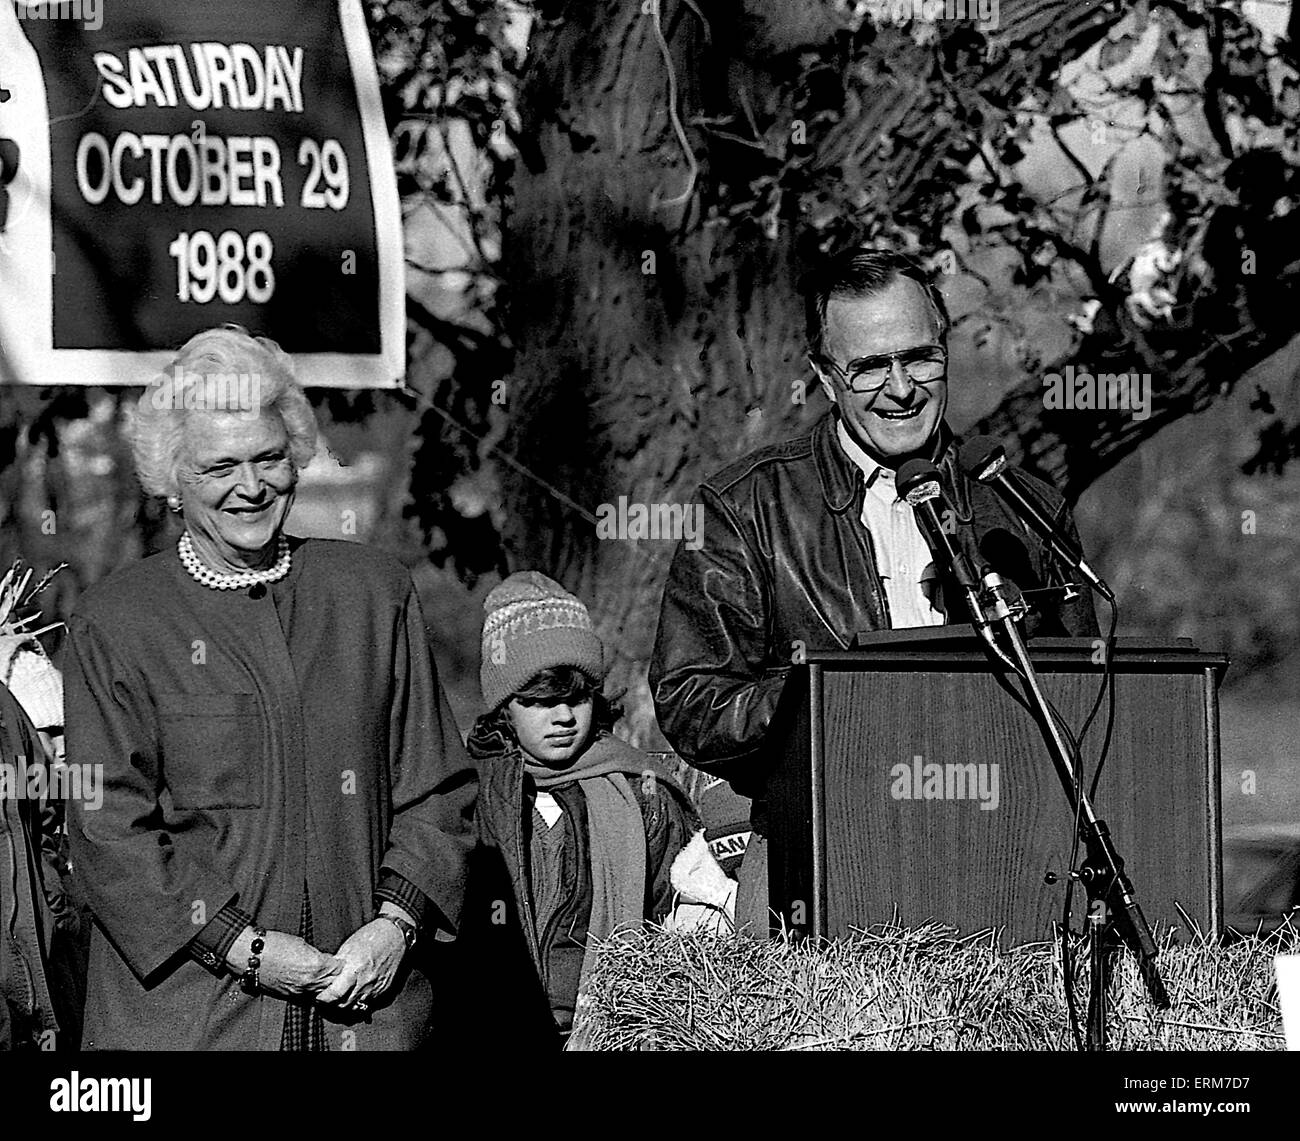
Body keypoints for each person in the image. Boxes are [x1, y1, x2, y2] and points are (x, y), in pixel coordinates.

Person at [649, 247, 1100, 930]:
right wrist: (829, 700)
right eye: (869, 366)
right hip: (831, 868)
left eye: (920, 356)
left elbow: (1087, 694)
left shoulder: (1022, 507)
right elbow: (690, 698)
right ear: (827, 379)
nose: (902, 387)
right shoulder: (746, 508)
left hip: (1006, 861)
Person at [64, 325, 477, 1050]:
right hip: (189, 1022)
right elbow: (109, 831)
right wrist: (243, 946)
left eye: (268, 458)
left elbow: (438, 790)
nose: (251, 487)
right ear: (171, 479)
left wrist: (395, 922)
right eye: (219, 466)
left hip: (365, 1018)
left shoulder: (370, 595)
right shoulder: (118, 622)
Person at [456, 572, 702, 1049]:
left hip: (616, 1030)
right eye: (539, 702)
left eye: (577, 698)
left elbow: (681, 925)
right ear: (504, 707)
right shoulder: (468, 798)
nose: (564, 717)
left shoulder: (643, 794)